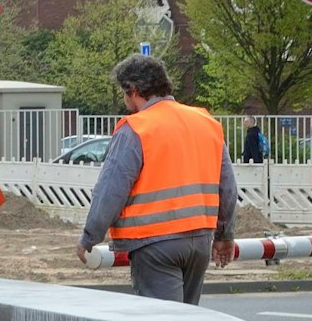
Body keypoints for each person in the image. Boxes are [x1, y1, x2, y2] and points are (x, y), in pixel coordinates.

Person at [78, 55, 237, 304]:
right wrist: (225, 236)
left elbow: (111, 190)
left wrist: (90, 236)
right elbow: (227, 187)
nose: (125, 99)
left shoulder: (136, 128)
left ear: (133, 90)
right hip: (200, 242)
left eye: (124, 92)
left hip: (154, 245)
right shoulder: (206, 122)